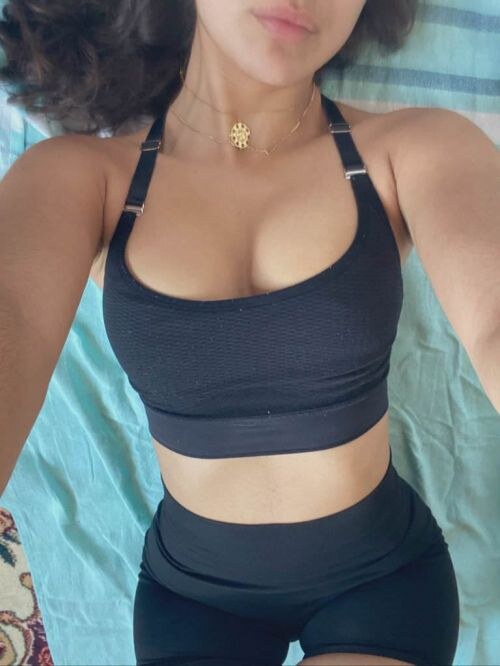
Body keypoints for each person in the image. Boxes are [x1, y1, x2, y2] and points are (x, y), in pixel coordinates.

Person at [1, 1, 499, 664]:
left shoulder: (416, 147)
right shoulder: (79, 179)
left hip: (381, 582)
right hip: (195, 599)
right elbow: (13, 319)